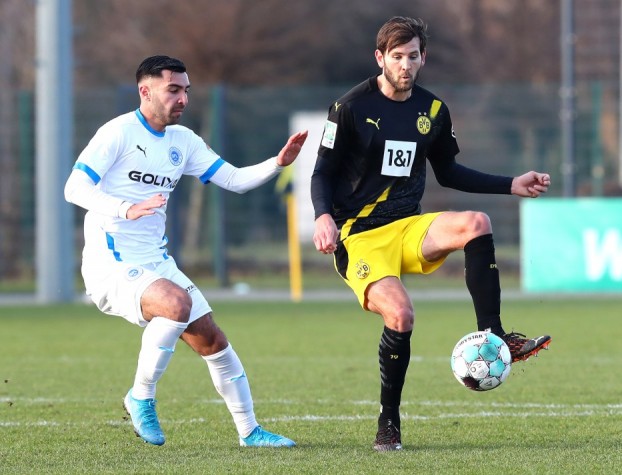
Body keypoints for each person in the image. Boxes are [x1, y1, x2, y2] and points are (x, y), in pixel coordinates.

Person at [310, 16, 552, 452]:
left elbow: (449, 172)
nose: (405, 65)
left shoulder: (433, 111)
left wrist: (511, 183)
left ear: (424, 58)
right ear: (380, 58)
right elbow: (322, 172)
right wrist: (322, 216)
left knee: (477, 223)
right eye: (397, 57)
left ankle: (494, 336)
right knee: (401, 316)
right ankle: (388, 423)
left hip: (408, 227)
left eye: (413, 56)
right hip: (359, 235)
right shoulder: (349, 108)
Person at [64, 55, 308, 448]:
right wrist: (126, 208)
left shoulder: (184, 141)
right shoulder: (118, 133)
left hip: (156, 262)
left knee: (212, 339)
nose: (183, 99)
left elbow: (234, 179)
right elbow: (74, 188)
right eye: (173, 90)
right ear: (145, 91)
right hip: (111, 264)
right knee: (176, 304)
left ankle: (250, 432)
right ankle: (140, 396)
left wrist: (277, 163)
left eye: (186, 91)